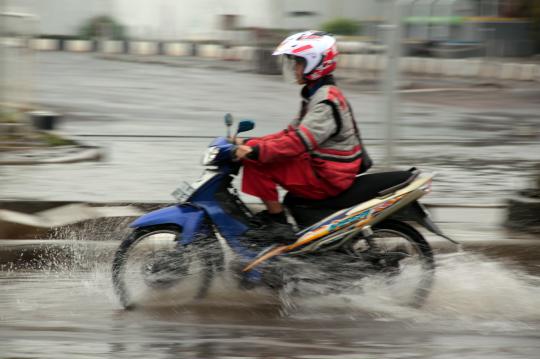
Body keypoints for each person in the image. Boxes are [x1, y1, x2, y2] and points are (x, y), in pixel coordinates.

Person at [234, 30, 367, 242]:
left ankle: (278, 224)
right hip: (321, 165)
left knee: (256, 163)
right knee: (260, 154)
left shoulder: (325, 102)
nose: (294, 69)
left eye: (298, 63)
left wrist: (256, 151)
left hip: (329, 175)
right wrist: (251, 142)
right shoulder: (316, 94)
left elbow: (297, 143)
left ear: (316, 63)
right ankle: (276, 217)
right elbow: (289, 133)